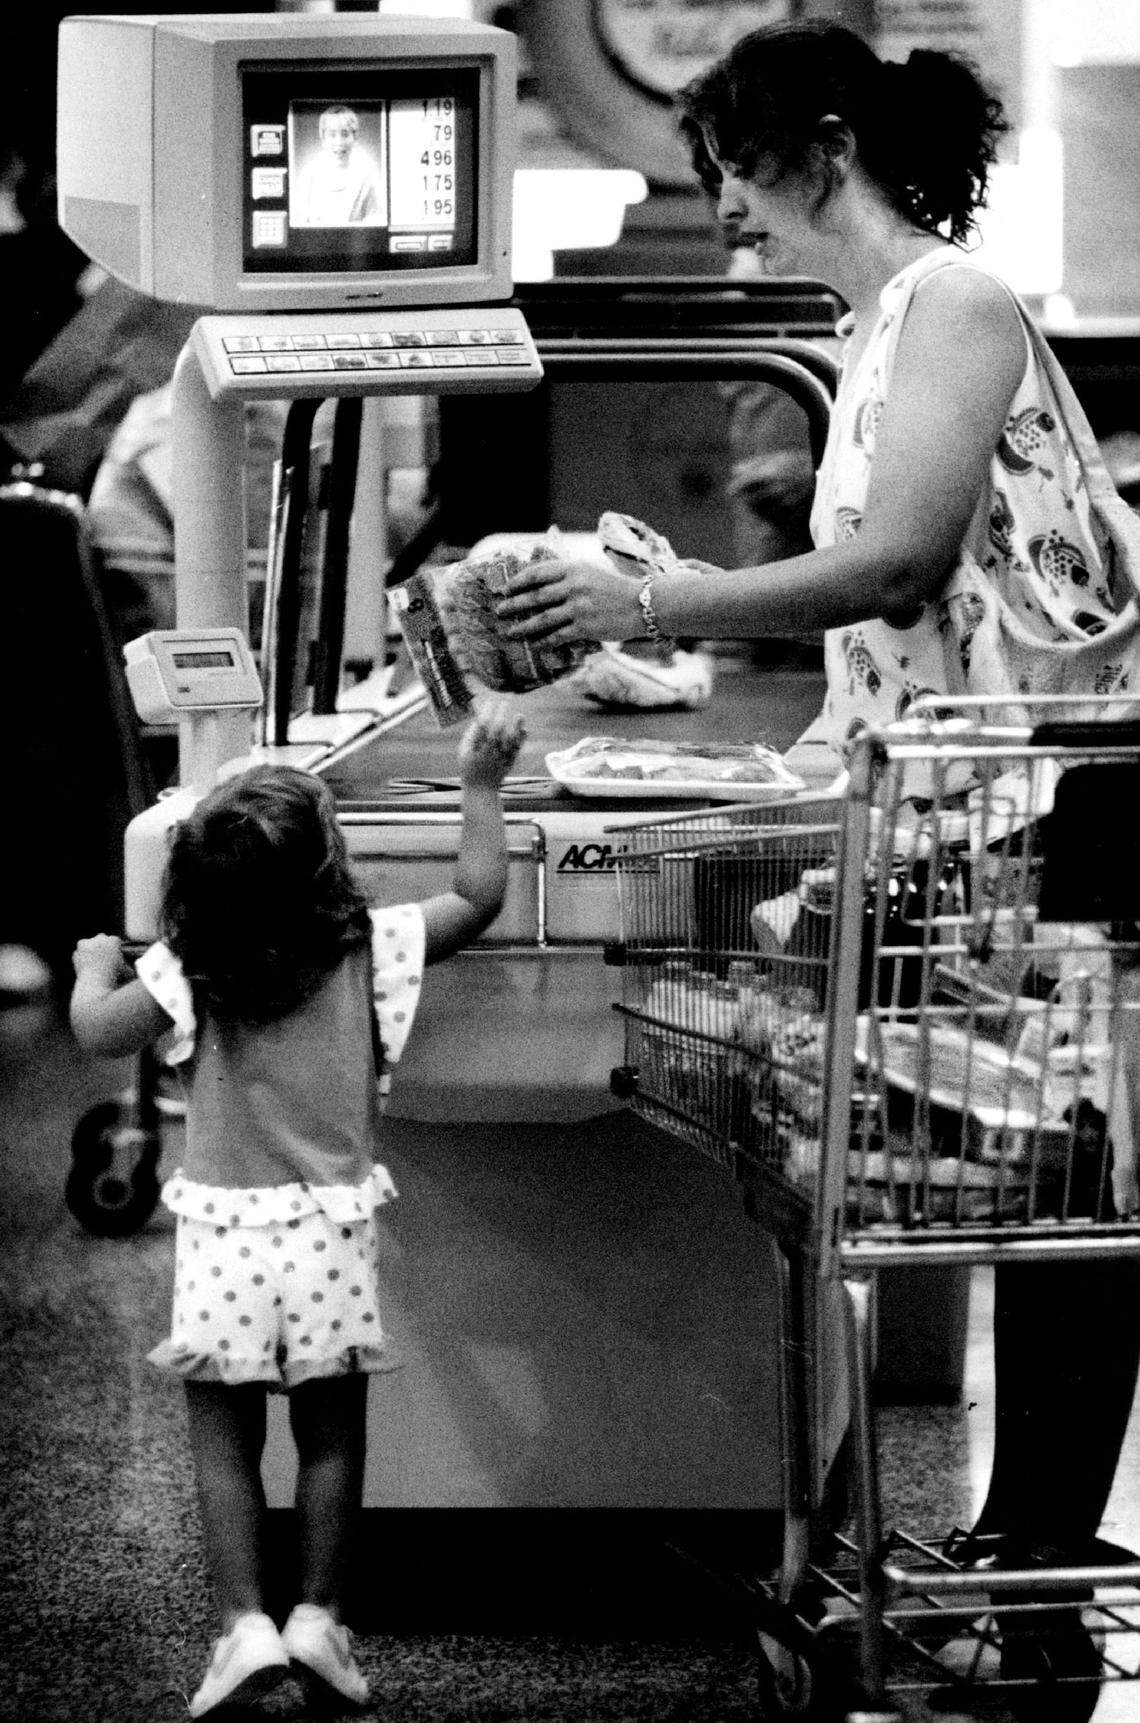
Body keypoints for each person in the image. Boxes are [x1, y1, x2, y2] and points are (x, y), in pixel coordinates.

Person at [495, 19, 1140, 1710]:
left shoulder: (957, 302)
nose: (736, 225)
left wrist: (655, 602)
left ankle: (1036, 1572)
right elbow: (918, 593)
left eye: (742, 187)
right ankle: (1021, 1565)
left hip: (1050, 817)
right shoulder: (883, 329)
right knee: (1043, 1186)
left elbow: (905, 556)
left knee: (1069, 1194)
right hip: (978, 818)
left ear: (824, 148)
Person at [69, 703, 525, 1717]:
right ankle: (320, 1619)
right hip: (328, 1236)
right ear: (325, 869)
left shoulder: (192, 963)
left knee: (222, 1436)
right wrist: (481, 784)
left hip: (225, 1239)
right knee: (329, 1436)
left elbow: (100, 1031)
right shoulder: (365, 946)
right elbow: (479, 896)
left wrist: (92, 964)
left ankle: (242, 1628)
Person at [295, 106, 384, 227]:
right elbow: (299, 221)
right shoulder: (309, 175)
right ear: (323, 139)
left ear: (355, 138)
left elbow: (375, 219)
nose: (339, 142)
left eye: (345, 134)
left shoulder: (366, 176)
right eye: (332, 135)